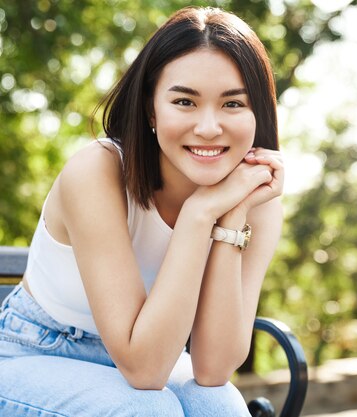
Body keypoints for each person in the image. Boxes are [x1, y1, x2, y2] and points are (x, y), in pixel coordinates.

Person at [0, 6, 283, 416]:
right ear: (152, 110)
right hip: (30, 353)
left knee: (218, 406)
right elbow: (145, 370)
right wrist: (199, 214)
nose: (208, 127)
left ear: (258, 112)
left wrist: (231, 215)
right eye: (185, 101)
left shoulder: (257, 201)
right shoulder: (97, 171)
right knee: (148, 411)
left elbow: (213, 368)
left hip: (141, 361)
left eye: (232, 104)